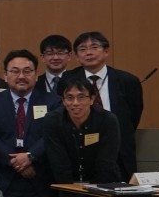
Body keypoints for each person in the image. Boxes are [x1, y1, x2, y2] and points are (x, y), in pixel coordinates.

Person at [0, 50, 58, 197]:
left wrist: (30, 156)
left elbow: (53, 135)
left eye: (27, 71)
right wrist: (16, 162)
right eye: (15, 71)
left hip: (39, 177)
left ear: (36, 74)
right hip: (4, 178)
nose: (21, 76)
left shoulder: (53, 101)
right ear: (5, 75)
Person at [62, 31, 144, 179]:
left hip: (119, 152)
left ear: (106, 51)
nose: (89, 52)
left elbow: (134, 115)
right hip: (79, 152)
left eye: (94, 47)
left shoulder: (127, 81)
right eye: (82, 49)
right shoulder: (67, 80)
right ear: (77, 56)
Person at [45, 77, 121, 197]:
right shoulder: (52, 121)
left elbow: (106, 161)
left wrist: (106, 196)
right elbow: (59, 161)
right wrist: (68, 196)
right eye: (70, 98)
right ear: (63, 101)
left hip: (102, 185)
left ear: (92, 99)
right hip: (66, 185)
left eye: (81, 97)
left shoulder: (107, 120)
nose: (75, 103)